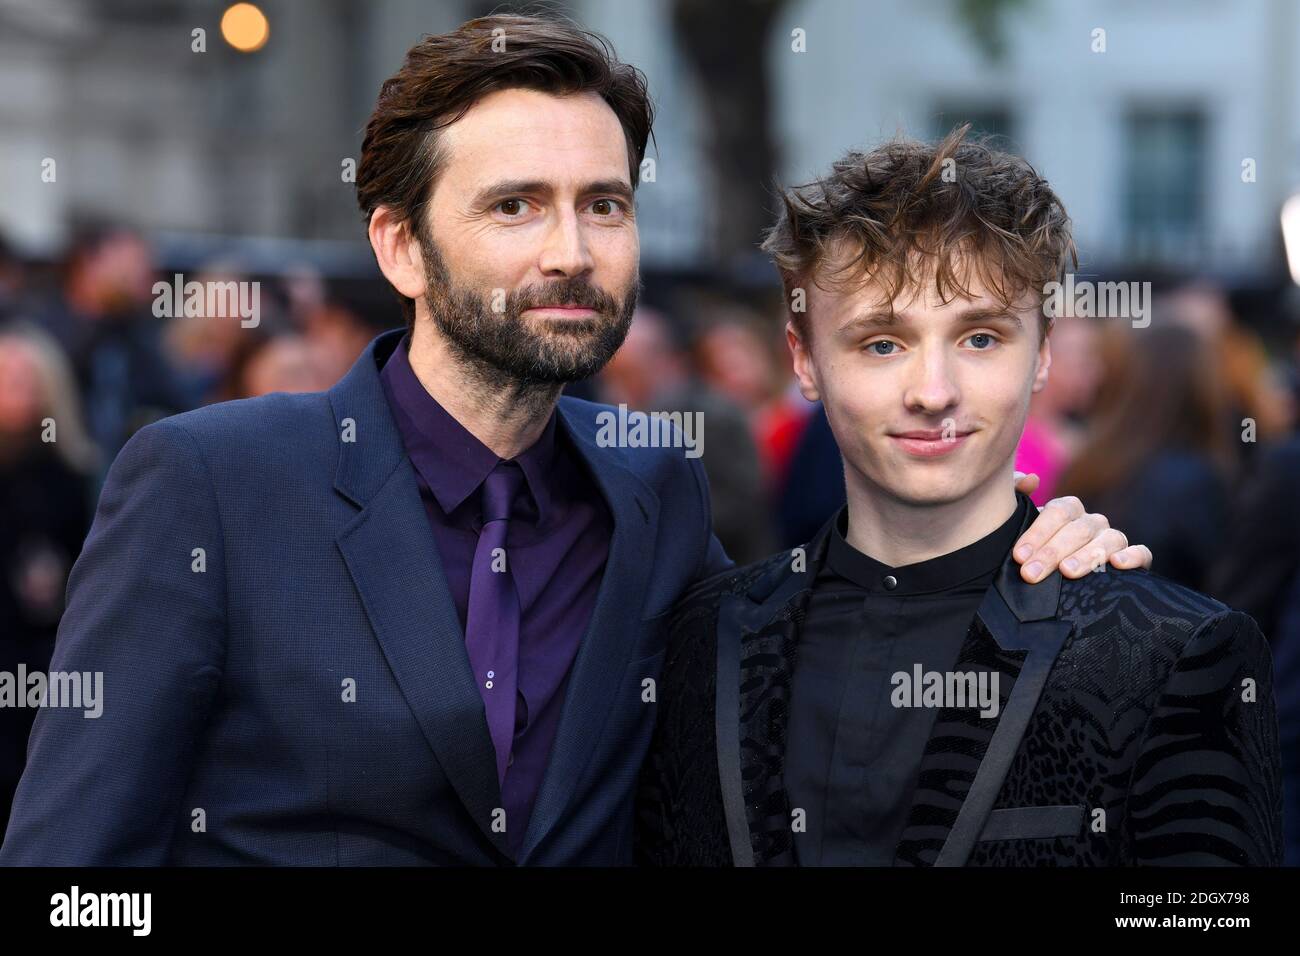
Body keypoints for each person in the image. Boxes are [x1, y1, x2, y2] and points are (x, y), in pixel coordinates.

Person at [2, 16, 1148, 867]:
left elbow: (815, 661)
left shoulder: (655, 491)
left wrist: (1027, 558)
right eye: (515, 206)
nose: (573, 249)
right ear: (400, 246)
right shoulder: (211, 482)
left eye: (604, 202)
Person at [637, 127, 1282, 866]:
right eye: (882, 343)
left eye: (979, 338)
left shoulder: (1171, 652)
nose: (933, 393)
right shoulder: (699, 639)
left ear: (1042, 354)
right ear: (805, 360)